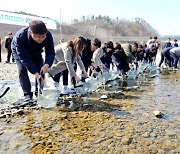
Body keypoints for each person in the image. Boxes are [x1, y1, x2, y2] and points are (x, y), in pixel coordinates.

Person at [11, 20, 55, 102]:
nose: (40, 39)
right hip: (20, 52)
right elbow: (24, 58)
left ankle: (39, 91)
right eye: (37, 37)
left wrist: (47, 64)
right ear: (31, 32)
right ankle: (27, 94)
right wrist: (34, 72)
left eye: (43, 36)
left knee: (41, 69)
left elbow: (50, 52)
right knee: (22, 70)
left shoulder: (48, 35)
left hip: (36, 51)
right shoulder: (20, 36)